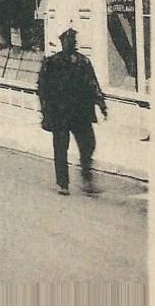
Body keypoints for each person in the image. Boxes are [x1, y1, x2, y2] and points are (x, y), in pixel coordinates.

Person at [37, 26, 108, 196]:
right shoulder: (52, 63)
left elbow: (92, 84)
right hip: (60, 113)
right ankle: (63, 183)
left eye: (73, 40)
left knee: (88, 145)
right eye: (68, 40)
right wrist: (46, 110)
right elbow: (42, 88)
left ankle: (87, 179)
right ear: (62, 43)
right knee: (61, 148)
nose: (71, 43)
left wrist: (101, 104)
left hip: (80, 113)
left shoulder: (83, 62)